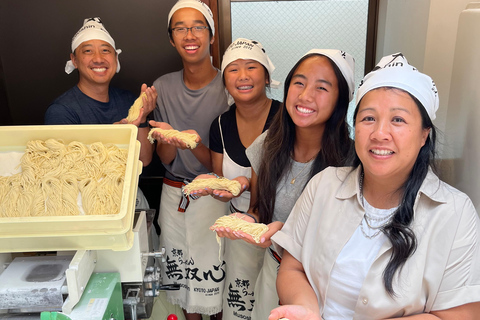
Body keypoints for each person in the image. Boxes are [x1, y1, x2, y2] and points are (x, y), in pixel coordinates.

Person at [269, 53, 480, 320]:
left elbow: (460, 314)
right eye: (368, 118)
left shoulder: (454, 212)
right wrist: (307, 311)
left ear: (424, 134)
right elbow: (292, 268)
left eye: (398, 120)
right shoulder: (323, 185)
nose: (380, 133)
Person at [212, 49, 356, 320]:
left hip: (319, 288)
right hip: (272, 269)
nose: (305, 96)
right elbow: (258, 208)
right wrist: (247, 222)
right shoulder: (268, 145)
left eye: (322, 87)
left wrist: (289, 237)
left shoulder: (350, 163)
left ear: (340, 100)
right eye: (299, 83)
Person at [142, 1, 229, 319]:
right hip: (173, 192)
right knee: (183, 278)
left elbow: (222, 165)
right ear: (171, 38)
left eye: (198, 26)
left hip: (215, 195)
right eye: (180, 28)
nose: (189, 34)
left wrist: (189, 141)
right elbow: (165, 157)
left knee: (216, 274)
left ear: (211, 35)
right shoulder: (163, 87)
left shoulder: (229, 86)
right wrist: (167, 138)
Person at [188, 37, 281, 320]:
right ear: (225, 80)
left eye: (251, 67)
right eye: (233, 69)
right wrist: (219, 188)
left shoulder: (286, 119)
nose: (242, 76)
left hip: (280, 231)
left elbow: (291, 176)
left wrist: (245, 184)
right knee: (239, 301)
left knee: (272, 304)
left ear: (266, 76)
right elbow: (220, 176)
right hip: (238, 229)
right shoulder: (221, 123)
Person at [44, 16, 157, 209]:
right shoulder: (62, 112)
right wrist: (111, 137)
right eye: (87, 51)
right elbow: (65, 176)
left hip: (131, 200)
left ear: (115, 58)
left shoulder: (128, 100)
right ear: (74, 60)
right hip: (87, 207)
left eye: (106, 51)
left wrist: (143, 118)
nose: (98, 58)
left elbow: (144, 160)